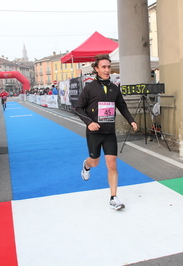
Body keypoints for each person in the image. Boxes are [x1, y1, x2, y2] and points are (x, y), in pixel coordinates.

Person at [75, 54, 138, 210]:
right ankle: (87, 165)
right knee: (95, 162)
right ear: (96, 69)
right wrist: (89, 123)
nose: (107, 70)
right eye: (103, 67)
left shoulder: (114, 88)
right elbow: (78, 108)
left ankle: (113, 197)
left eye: (108, 67)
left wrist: (131, 120)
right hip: (94, 133)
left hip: (109, 132)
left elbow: (122, 106)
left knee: (112, 164)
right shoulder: (89, 88)